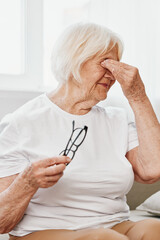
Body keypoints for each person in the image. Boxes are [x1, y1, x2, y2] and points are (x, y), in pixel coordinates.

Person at [0, 22, 160, 240]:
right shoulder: (21, 123)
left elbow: (153, 169)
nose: (113, 74)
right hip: (43, 231)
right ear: (75, 58)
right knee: (103, 238)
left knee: (154, 229)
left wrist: (137, 95)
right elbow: (2, 222)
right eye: (105, 62)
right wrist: (27, 182)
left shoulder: (117, 119)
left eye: (116, 64)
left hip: (114, 225)